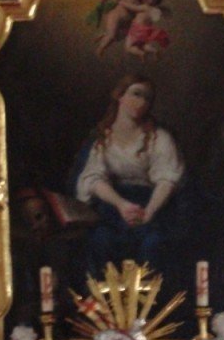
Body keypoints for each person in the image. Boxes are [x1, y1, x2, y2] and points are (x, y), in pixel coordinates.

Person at [75, 76, 184, 274]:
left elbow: (167, 179)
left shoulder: (160, 138)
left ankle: (150, 304)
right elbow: (93, 178)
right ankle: (105, 303)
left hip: (151, 206)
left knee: (153, 244)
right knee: (100, 241)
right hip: (113, 208)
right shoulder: (103, 138)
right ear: (119, 96)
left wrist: (148, 212)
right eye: (136, 94)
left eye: (147, 98)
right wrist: (121, 204)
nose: (141, 102)